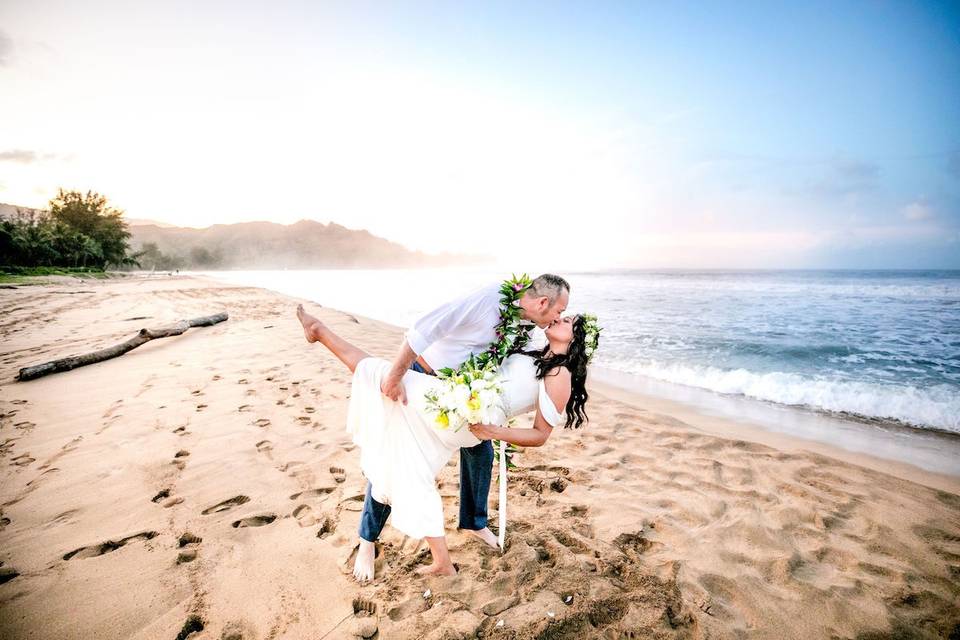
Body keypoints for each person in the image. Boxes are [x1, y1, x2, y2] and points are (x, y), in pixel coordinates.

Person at [295, 298, 600, 579]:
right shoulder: (536, 352)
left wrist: (492, 433)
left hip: (466, 419)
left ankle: (319, 332)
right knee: (407, 458)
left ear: (576, 339)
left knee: (385, 382)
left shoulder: (560, 376)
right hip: (455, 401)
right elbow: (510, 317)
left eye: (567, 320)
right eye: (560, 313)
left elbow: (540, 435)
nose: (559, 318)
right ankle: (439, 560)